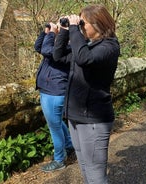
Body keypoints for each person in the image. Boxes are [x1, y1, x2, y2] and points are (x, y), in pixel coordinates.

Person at [53, 4, 120, 184]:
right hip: (77, 117)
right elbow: (58, 56)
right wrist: (66, 30)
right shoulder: (87, 45)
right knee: (84, 168)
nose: (81, 26)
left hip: (94, 119)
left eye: (84, 23)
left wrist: (75, 29)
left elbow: (84, 59)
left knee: (96, 175)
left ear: (98, 24)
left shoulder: (109, 47)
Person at [34, 22, 74, 172]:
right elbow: (39, 47)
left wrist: (52, 33)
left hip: (54, 91)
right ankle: (69, 146)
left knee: (54, 127)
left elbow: (45, 49)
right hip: (50, 90)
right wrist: (46, 32)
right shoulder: (60, 45)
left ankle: (59, 160)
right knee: (56, 122)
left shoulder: (69, 47)